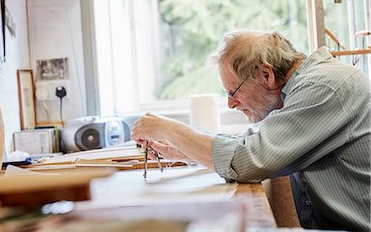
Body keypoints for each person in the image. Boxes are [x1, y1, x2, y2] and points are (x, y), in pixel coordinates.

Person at [132, 29, 370, 231]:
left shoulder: (323, 87)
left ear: (266, 75)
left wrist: (167, 128)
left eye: (232, 92)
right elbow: (251, 143)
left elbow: (247, 160)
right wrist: (182, 150)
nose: (230, 104)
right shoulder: (309, 85)